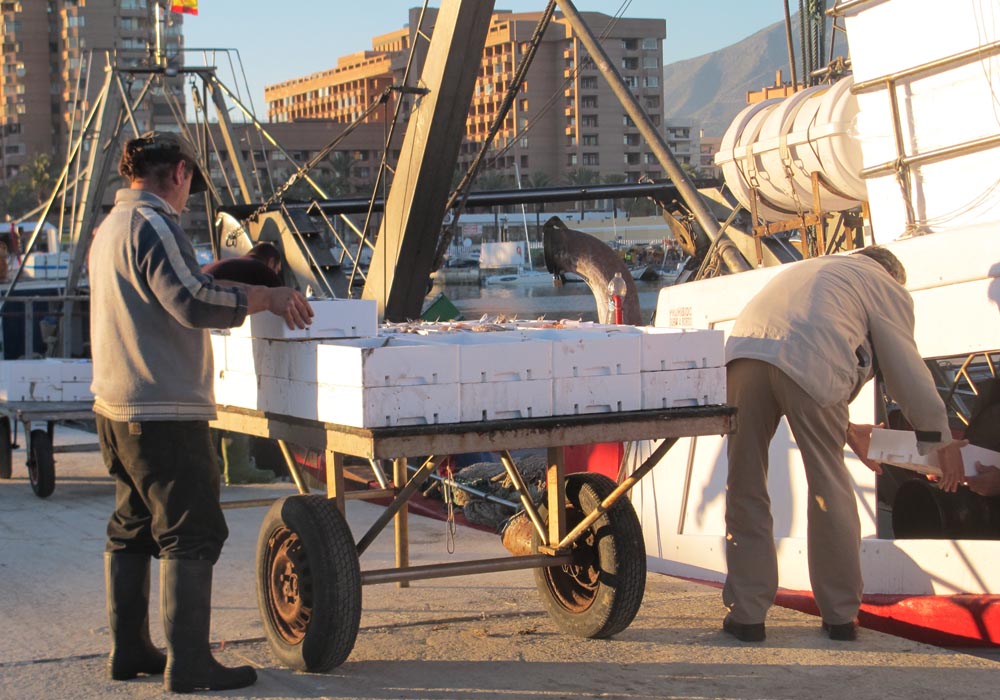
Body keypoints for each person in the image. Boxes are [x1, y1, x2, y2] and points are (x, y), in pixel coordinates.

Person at [89, 131, 313, 692]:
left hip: (113, 409)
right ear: (181, 173)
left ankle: (131, 649)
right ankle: (188, 664)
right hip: (162, 410)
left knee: (132, 528)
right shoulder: (153, 223)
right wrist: (268, 296)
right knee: (191, 533)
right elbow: (190, 302)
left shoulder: (107, 228)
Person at [721, 246, 965, 643]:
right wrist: (940, 438)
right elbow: (906, 371)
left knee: (745, 483)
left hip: (744, 355)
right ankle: (839, 615)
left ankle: (747, 614)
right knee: (828, 485)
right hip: (809, 360)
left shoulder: (823, 269)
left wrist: (849, 427)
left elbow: (799, 337)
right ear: (892, 273)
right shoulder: (886, 284)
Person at [202, 242, 285, 485]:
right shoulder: (263, 272)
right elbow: (282, 306)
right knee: (238, 398)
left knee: (216, 399)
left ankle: (213, 462)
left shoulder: (224, 264)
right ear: (272, 262)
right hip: (227, 333)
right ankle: (238, 468)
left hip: (204, 334)